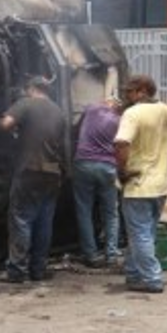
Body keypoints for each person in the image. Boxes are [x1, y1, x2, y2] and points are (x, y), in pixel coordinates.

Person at [114, 75, 167, 294]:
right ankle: (133, 274)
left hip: (138, 183)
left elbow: (121, 144)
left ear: (142, 91)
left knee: (139, 234)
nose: (126, 96)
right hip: (161, 184)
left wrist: (122, 171)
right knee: (143, 232)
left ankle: (152, 278)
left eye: (129, 91)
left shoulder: (133, 113)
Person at [0, 76, 68, 283]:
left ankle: (17, 270)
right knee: (44, 222)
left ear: (32, 89)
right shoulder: (58, 112)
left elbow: (7, 124)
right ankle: (38, 269)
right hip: (53, 173)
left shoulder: (25, 104)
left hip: (29, 170)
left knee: (21, 219)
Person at [71, 97, 124, 268]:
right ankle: (111, 254)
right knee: (110, 213)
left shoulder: (93, 108)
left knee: (84, 210)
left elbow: (76, 126)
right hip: (107, 167)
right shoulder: (119, 122)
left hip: (83, 163)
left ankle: (91, 255)